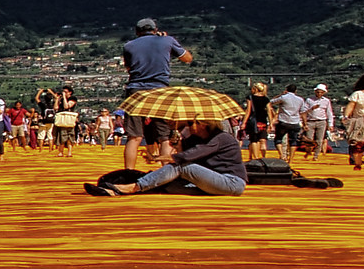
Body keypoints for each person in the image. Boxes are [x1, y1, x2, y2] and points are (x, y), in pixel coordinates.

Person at [87, 116, 248, 197]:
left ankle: (132, 187)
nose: (189, 127)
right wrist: (178, 143)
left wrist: (156, 158)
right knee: (165, 186)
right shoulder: (195, 139)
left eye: (191, 123)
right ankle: (114, 192)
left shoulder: (221, 138)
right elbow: (182, 153)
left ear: (204, 124)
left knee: (182, 167)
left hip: (231, 183)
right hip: (210, 181)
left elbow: (186, 157)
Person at [118, 18, 194, 170]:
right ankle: (166, 172)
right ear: (155, 29)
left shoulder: (129, 46)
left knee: (134, 137)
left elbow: (128, 68)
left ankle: (128, 173)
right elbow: (187, 58)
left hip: (136, 90)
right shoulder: (167, 41)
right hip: (160, 90)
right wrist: (166, 42)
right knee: (164, 137)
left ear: (137, 32)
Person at [301, 84, 336, 161]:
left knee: (319, 140)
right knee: (309, 139)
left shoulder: (326, 101)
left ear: (324, 93)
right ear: (315, 92)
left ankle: (316, 155)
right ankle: (308, 152)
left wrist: (330, 124)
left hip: (322, 121)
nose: (319, 94)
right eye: (318, 92)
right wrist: (311, 109)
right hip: (310, 121)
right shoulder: (309, 100)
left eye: (321, 92)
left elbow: (329, 113)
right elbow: (303, 111)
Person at [270, 83, 305, 157]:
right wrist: (305, 123)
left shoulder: (283, 97)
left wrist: (280, 95)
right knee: (293, 141)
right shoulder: (300, 99)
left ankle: (282, 155)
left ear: (286, 90)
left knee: (278, 139)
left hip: (284, 121)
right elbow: (302, 112)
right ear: (295, 91)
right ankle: (291, 159)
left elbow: (271, 102)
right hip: (295, 122)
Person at [52, 85, 78, 152]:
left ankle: (69, 152)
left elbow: (66, 106)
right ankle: (61, 151)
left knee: (69, 136)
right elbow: (55, 108)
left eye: (65, 92)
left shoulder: (73, 98)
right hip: (62, 118)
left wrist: (64, 97)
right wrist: (57, 99)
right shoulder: (61, 99)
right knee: (60, 135)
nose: (64, 93)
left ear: (70, 92)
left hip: (69, 119)